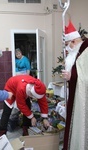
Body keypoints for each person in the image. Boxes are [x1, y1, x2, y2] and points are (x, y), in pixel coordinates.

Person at [61, 20, 88, 150]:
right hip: (75, 95)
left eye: (67, 45)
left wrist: (72, 77)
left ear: (74, 41)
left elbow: (85, 76)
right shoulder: (77, 53)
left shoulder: (85, 50)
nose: (67, 48)